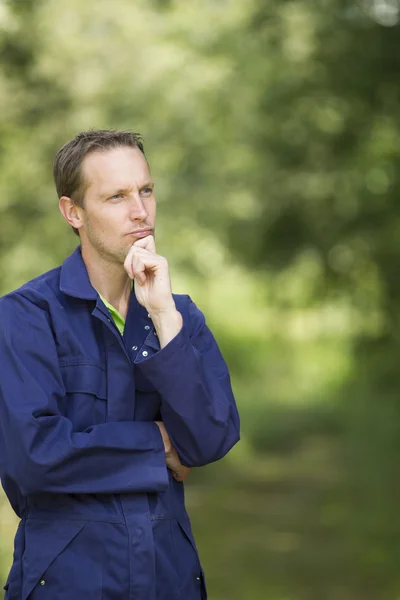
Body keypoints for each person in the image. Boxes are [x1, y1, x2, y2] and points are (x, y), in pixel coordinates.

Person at [0, 129, 240, 600]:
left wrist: (165, 318)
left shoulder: (178, 313)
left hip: (170, 576)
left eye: (145, 190)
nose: (141, 211)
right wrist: (157, 445)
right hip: (68, 580)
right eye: (116, 197)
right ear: (74, 213)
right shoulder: (26, 316)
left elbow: (212, 436)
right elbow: (33, 457)